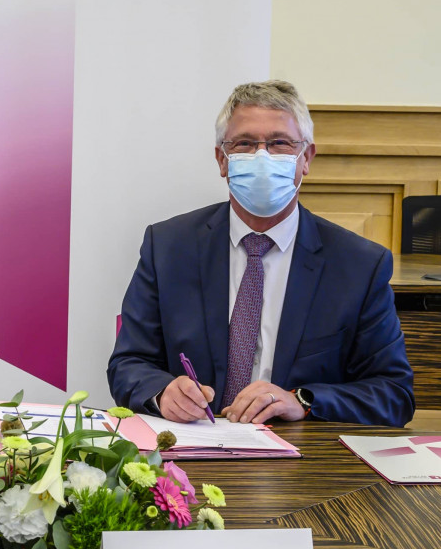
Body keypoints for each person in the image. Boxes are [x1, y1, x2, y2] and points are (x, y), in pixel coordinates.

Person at [107, 80, 414, 427]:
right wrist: (163, 392)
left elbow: (393, 394)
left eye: (280, 143)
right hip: (191, 453)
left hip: (301, 463)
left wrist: (303, 400)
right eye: (245, 144)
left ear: (306, 159)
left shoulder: (359, 265)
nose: (262, 157)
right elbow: (128, 363)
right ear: (222, 159)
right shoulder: (167, 247)